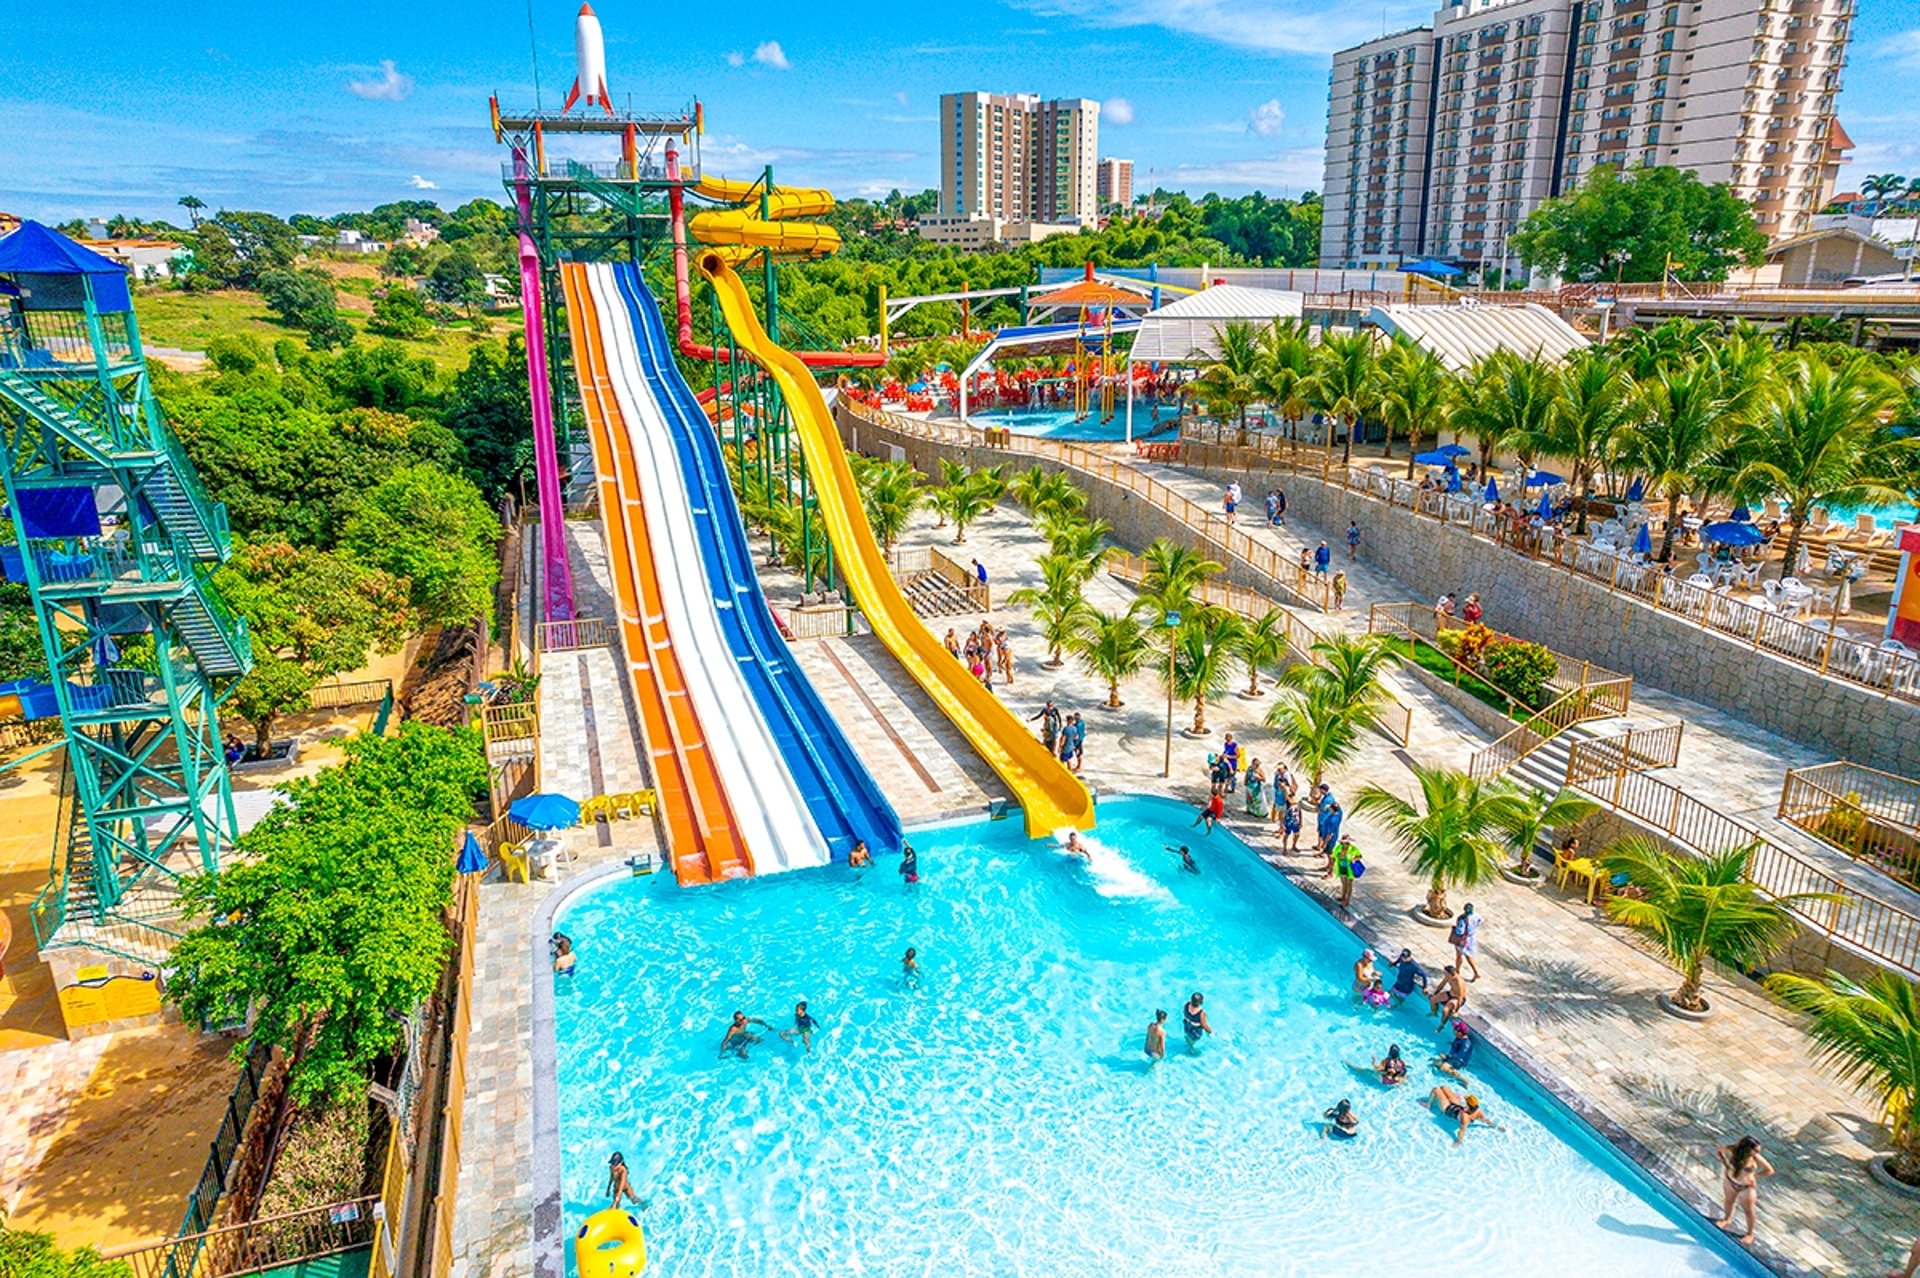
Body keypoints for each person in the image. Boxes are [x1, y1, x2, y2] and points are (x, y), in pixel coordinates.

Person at [1714, 1136, 1774, 1244]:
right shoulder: (1733, 1150)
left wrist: (1754, 1176)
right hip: (1730, 1182)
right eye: (1755, 1150)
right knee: (1729, 1201)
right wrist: (1726, 1165)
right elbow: (1720, 1151)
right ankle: (1727, 1219)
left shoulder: (1755, 1158)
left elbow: (1769, 1170)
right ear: (1746, 1148)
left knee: (1749, 1211)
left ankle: (1750, 1234)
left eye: (1758, 1150)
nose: (1757, 1152)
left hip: (1746, 1188)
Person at [1429, 1085, 1498, 1144]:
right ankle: (1444, 1096)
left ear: (1468, 1105)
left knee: (1436, 1089)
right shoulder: (1478, 1111)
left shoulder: (1465, 1117)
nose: (1465, 1101)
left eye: (1466, 1101)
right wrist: (1495, 1126)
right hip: (1458, 1106)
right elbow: (1485, 1120)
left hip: (1447, 1108)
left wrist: (1458, 1141)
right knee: (1444, 1087)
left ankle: (1428, 1104)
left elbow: (1461, 1131)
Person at [1450, 904, 1482, 981]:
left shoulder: (1462, 919)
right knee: (1468, 955)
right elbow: (1480, 921)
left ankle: (1458, 971)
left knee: (1461, 956)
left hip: (1463, 940)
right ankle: (1472, 971)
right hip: (1471, 938)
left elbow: (1460, 932)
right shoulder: (1476, 916)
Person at [1333, 834, 1362, 912]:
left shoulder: (1353, 849)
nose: (1346, 844)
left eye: (1347, 843)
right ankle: (1343, 896)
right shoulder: (1339, 848)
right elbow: (1335, 855)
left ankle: (1347, 900)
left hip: (1350, 869)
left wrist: (1353, 859)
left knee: (1349, 885)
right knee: (1343, 883)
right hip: (1342, 867)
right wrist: (1339, 856)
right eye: (1345, 843)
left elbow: (1359, 856)